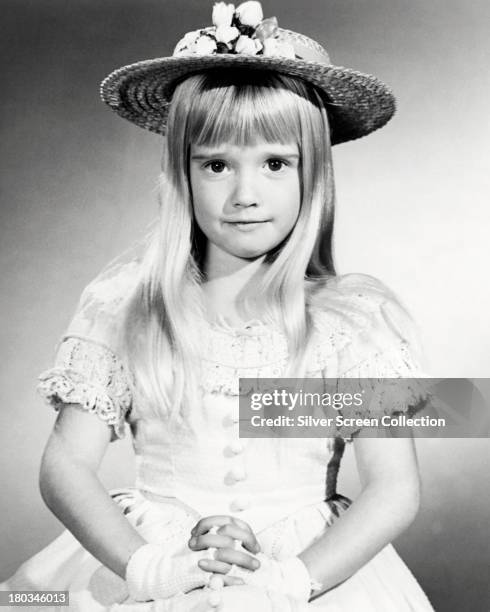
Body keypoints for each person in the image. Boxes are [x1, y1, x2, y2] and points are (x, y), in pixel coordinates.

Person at [1, 2, 435, 610]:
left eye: (276, 164)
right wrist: (150, 569)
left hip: (306, 568)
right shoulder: (128, 305)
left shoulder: (352, 324)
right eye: (216, 165)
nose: (244, 194)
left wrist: (288, 580)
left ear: (314, 178)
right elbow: (64, 467)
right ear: (181, 173)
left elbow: (395, 488)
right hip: (154, 555)